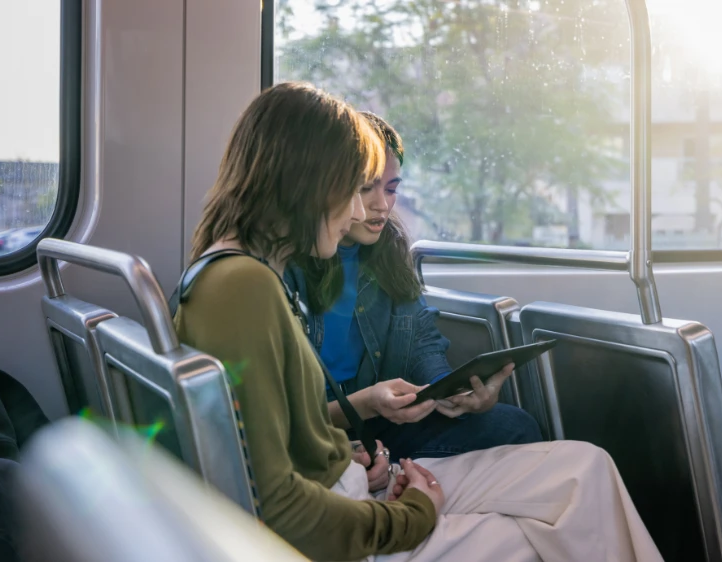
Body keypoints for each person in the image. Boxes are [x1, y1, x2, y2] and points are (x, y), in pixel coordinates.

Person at [173, 81, 661, 561]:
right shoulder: (245, 288)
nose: (364, 208)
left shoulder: (241, 277)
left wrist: (385, 446)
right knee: (548, 525)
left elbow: (286, 439)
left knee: (585, 469)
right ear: (308, 183)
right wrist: (412, 513)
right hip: (344, 517)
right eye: (353, 188)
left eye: (385, 189)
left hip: (356, 480)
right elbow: (280, 506)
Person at [284, 111, 542, 461]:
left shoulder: (388, 251)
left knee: (516, 426)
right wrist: (366, 409)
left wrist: (453, 390)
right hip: (317, 428)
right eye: (365, 188)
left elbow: (421, 340)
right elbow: (281, 415)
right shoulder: (285, 265)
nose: (380, 205)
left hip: (379, 421)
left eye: (391, 189)